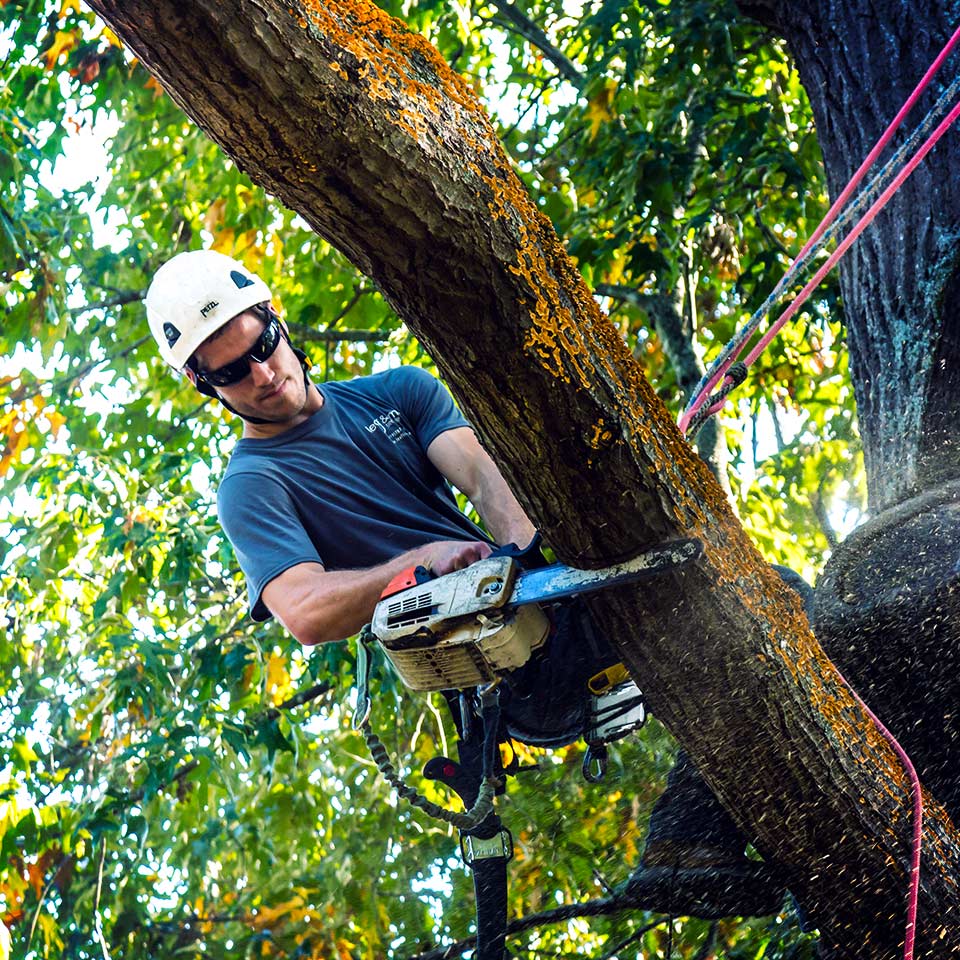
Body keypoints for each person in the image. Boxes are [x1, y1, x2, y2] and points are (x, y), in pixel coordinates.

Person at [146, 248, 791, 918]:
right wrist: (421, 560)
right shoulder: (252, 486)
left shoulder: (397, 392)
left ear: (274, 318)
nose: (263, 375)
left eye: (263, 346)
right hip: (501, 673)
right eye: (233, 372)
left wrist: (515, 556)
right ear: (204, 383)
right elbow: (305, 610)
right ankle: (688, 841)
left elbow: (485, 477)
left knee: (770, 605)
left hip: (549, 603)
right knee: (759, 612)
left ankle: (713, 842)